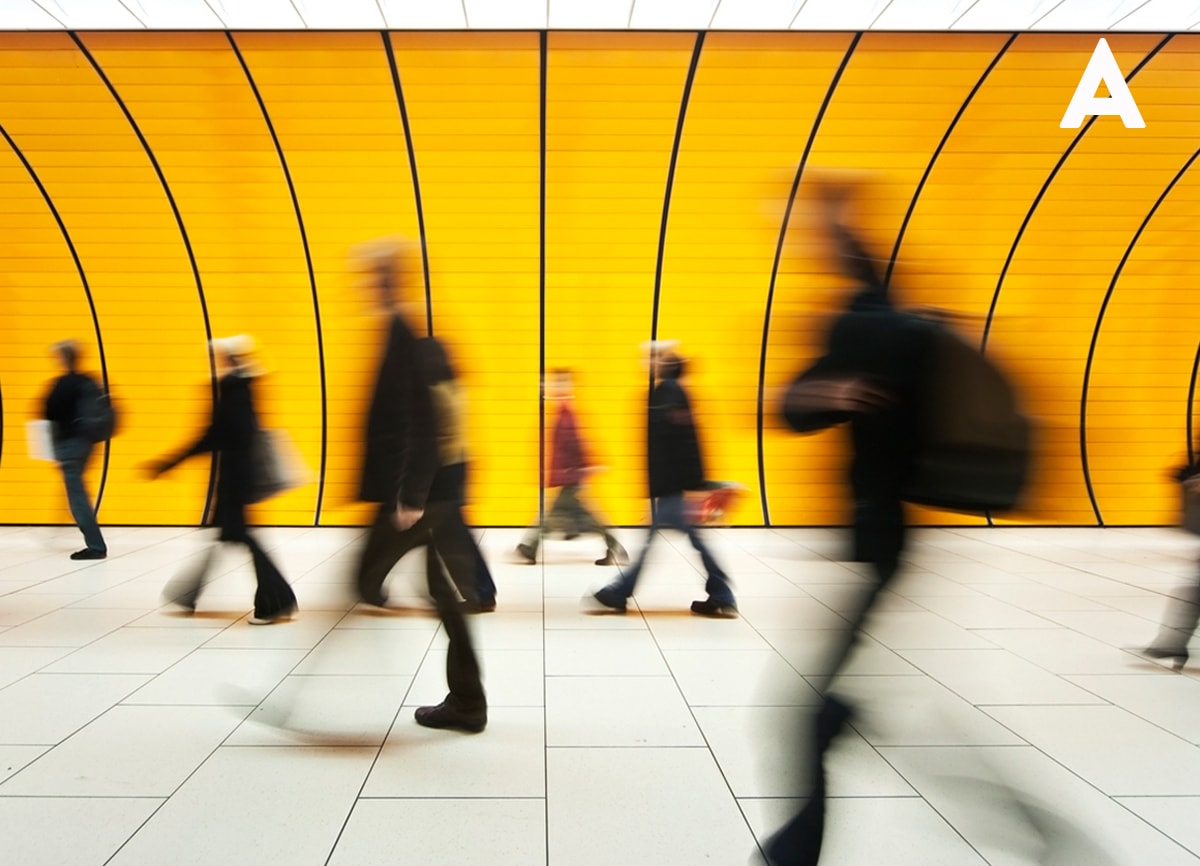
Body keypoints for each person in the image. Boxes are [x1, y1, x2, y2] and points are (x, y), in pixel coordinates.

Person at [765, 183, 935, 866]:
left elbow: (788, 409)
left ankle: (796, 852)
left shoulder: (862, 328)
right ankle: (837, 731)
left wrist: (824, 391)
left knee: (804, 715)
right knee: (818, 707)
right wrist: (836, 225)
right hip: (889, 536)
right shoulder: (903, 322)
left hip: (879, 534)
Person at [351, 237, 487, 732]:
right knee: (441, 593)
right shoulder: (407, 335)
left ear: (389, 280)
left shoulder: (407, 338)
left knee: (366, 581)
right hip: (428, 490)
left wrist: (409, 495)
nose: (363, 286)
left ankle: (468, 702)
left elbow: (425, 426)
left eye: (371, 277)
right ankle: (468, 703)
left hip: (420, 493)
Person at [147, 335, 298, 624]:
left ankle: (276, 600)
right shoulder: (244, 384)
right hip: (237, 476)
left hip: (234, 479)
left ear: (228, 357)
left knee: (240, 536)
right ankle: (185, 595)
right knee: (225, 535)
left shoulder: (232, 388)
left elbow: (217, 434)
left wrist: (171, 461)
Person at [592, 345, 736, 617]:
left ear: (661, 362)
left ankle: (619, 592)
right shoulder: (668, 392)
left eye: (649, 357)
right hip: (673, 486)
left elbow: (677, 444)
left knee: (654, 543)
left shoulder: (667, 393)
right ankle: (721, 594)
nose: (644, 362)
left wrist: (681, 488)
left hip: (673, 487)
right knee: (685, 540)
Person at [517, 368, 628, 566]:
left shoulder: (566, 414)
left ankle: (530, 547)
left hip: (570, 476)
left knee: (553, 515)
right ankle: (613, 546)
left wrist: (585, 468)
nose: (554, 387)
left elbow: (576, 445)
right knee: (582, 515)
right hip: (569, 475)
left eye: (560, 383)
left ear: (569, 387)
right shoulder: (563, 412)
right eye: (554, 383)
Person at [42, 339, 108, 560]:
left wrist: (55, 450)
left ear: (62, 358)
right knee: (77, 492)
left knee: (77, 498)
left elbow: (48, 415)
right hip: (87, 444)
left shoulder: (61, 385)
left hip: (69, 446)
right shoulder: (89, 381)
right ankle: (91, 539)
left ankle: (96, 546)